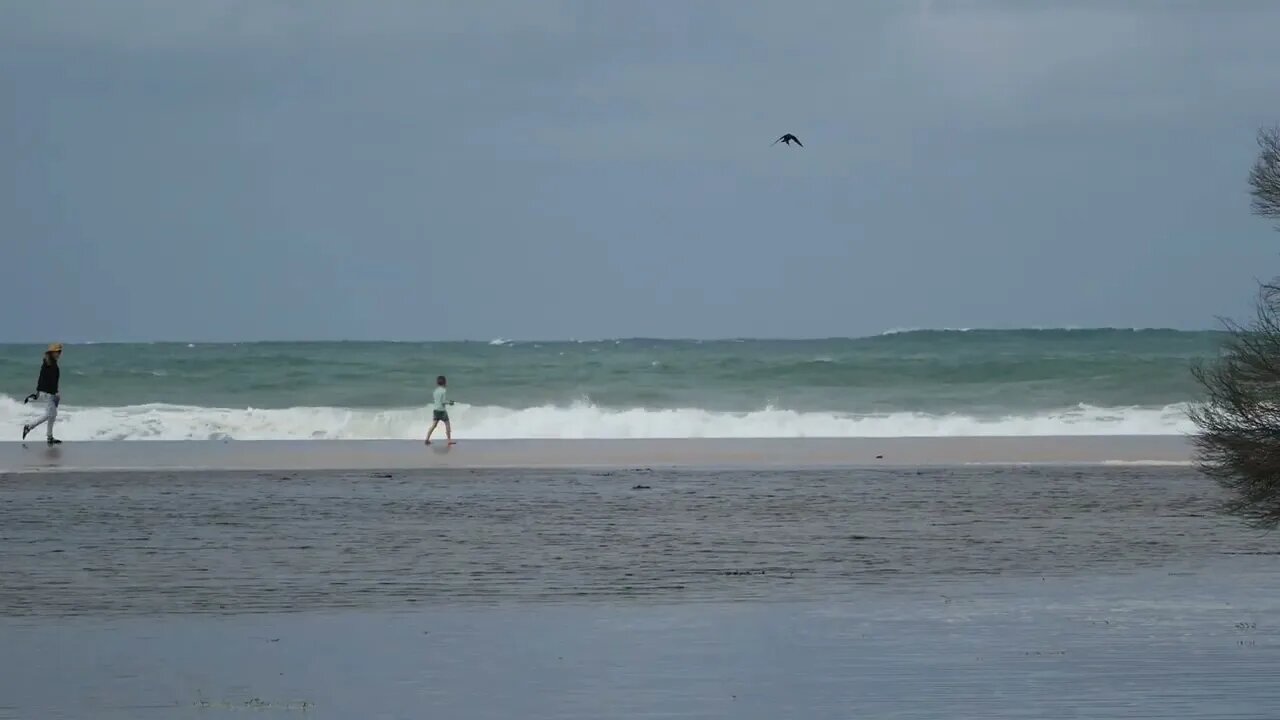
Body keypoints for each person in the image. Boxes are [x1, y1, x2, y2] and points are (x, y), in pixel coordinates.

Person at [22, 343, 64, 445]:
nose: (59, 353)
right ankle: (29, 426)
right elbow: (42, 380)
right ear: (52, 352)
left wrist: (56, 393)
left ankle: (49, 437)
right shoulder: (48, 364)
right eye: (57, 351)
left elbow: (53, 381)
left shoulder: (52, 363)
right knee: (49, 414)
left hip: (51, 393)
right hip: (48, 393)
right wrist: (38, 393)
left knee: (52, 414)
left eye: (60, 351)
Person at [425, 375, 456, 445]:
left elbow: (437, 400)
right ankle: (449, 440)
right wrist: (450, 402)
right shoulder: (443, 391)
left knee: (433, 426)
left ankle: (427, 439)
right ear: (445, 382)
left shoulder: (435, 391)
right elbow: (443, 401)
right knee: (447, 425)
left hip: (435, 410)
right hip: (442, 411)